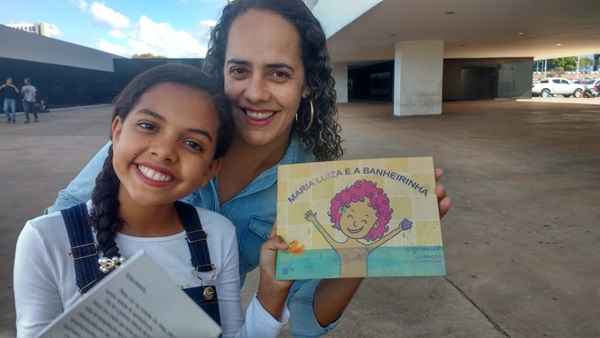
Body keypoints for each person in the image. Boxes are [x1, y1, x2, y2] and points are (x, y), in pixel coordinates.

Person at [49, 0, 452, 336]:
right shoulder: (162, 137)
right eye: (239, 70)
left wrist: (369, 253)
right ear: (221, 71)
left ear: (307, 83)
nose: (255, 93)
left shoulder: (315, 186)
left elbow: (309, 318)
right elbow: (60, 220)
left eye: (278, 73)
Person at [14, 64, 292, 338]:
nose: (164, 151)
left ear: (210, 169)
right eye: (148, 126)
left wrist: (272, 289)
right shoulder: (45, 239)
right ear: (117, 130)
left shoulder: (216, 234)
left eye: (193, 143)